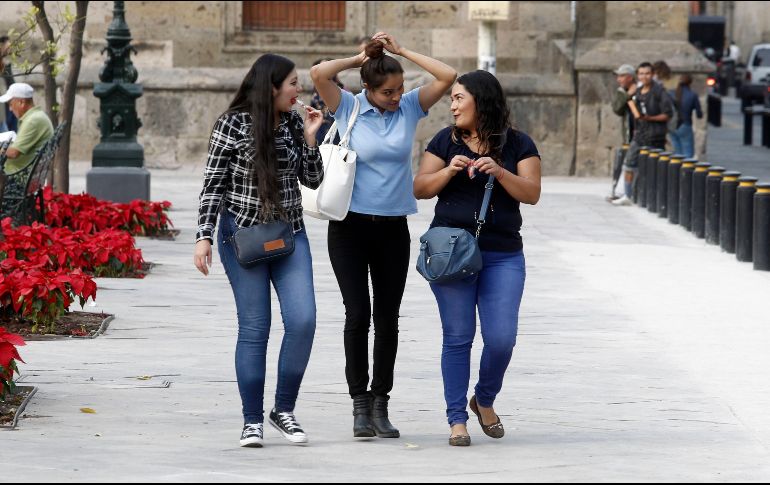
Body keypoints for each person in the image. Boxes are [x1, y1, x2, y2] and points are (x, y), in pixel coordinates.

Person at [310, 32, 456, 439]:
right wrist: (359, 58)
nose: (396, 96)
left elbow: (448, 75)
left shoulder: (410, 108)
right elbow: (318, 73)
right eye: (388, 91)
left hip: (394, 229)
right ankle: (359, 404)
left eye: (399, 89)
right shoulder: (349, 107)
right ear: (368, 88)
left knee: (387, 318)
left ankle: (381, 402)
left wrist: (401, 51)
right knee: (358, 314)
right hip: (350, 228)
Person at [193, 54, 324, 448]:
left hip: (289, 235)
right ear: (272, 87)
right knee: (255, 328)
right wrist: (203, 236)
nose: (298, 90)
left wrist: (311, 138)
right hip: (243, 238)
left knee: (303, 321)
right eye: (293, 83)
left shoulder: (291, 125)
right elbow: (213, 184)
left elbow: (313, 180)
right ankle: (252, 420)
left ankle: (283, 409)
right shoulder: (231, 124)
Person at [413, 70, 541, 446]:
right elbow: (420, 188)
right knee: (458, 337)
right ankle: (456, 420)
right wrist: (449, 171)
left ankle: (483, 399)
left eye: (458, 98)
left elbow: (531, 193)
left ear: (481, 101)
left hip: (503, 254)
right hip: (451, 252)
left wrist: (499, 171)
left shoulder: (519, 144)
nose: (451, 106)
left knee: (501, 339)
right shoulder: (444, 141)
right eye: (451, 99)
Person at [613, 62, 673, 206]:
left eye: (647, 73)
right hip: (639, 135)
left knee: (655, 168)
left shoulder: (659, 92)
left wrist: (650, 118)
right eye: (641, 74)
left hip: (655, 136)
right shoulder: (637, 92)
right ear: (637, 76)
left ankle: (657, 198)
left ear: (652, 75)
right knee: (629, 164)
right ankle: (627, 194)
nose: (644, 76)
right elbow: (621, 110)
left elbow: (667, 114)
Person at [0, 83, 53, 174]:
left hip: (17, 174)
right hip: (25, 172)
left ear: (22, 102)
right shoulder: (36, 116)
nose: (10, 109)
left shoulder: (32, 121)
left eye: (11, 104)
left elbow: (13, 153)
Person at [608, 64, 637, 201]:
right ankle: (620, 192)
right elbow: (617, 109)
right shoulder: (623, 91)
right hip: (628, 134)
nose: (618, 79)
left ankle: (623, 192)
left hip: (639, 133)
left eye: (621, 76)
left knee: (630, 163)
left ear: (630, 77)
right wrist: (626, 95)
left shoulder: (640, 89)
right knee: (626, 162)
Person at [310, 58, 343, 145]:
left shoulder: (341, 90)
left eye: (327, 67)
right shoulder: (316, 90)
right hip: (320, 128)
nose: (324, 71)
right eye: (321, 68)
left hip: (336, 127)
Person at [668, 74, 703, 158]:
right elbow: (699, 114)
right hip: (685, 124)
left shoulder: (671, 93)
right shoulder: (692, 95)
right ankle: (686, 171)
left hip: (671, 125)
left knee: (677, 151)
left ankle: (677, 170)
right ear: (690, 83)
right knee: (688, 152)